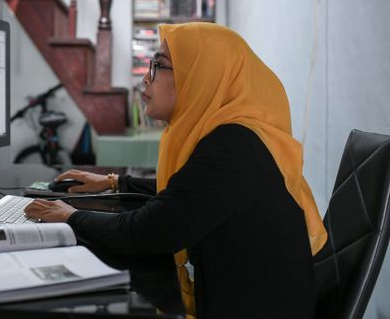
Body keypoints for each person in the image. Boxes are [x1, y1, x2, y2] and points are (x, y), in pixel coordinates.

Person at [24, 23, 327, 318]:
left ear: (202, 76)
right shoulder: (235, 136)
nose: (146, 79)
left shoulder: (232, 146)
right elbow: (189, 196)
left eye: (158, 66)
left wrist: (70, 216)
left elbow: (149, 231)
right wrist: (114, 182)